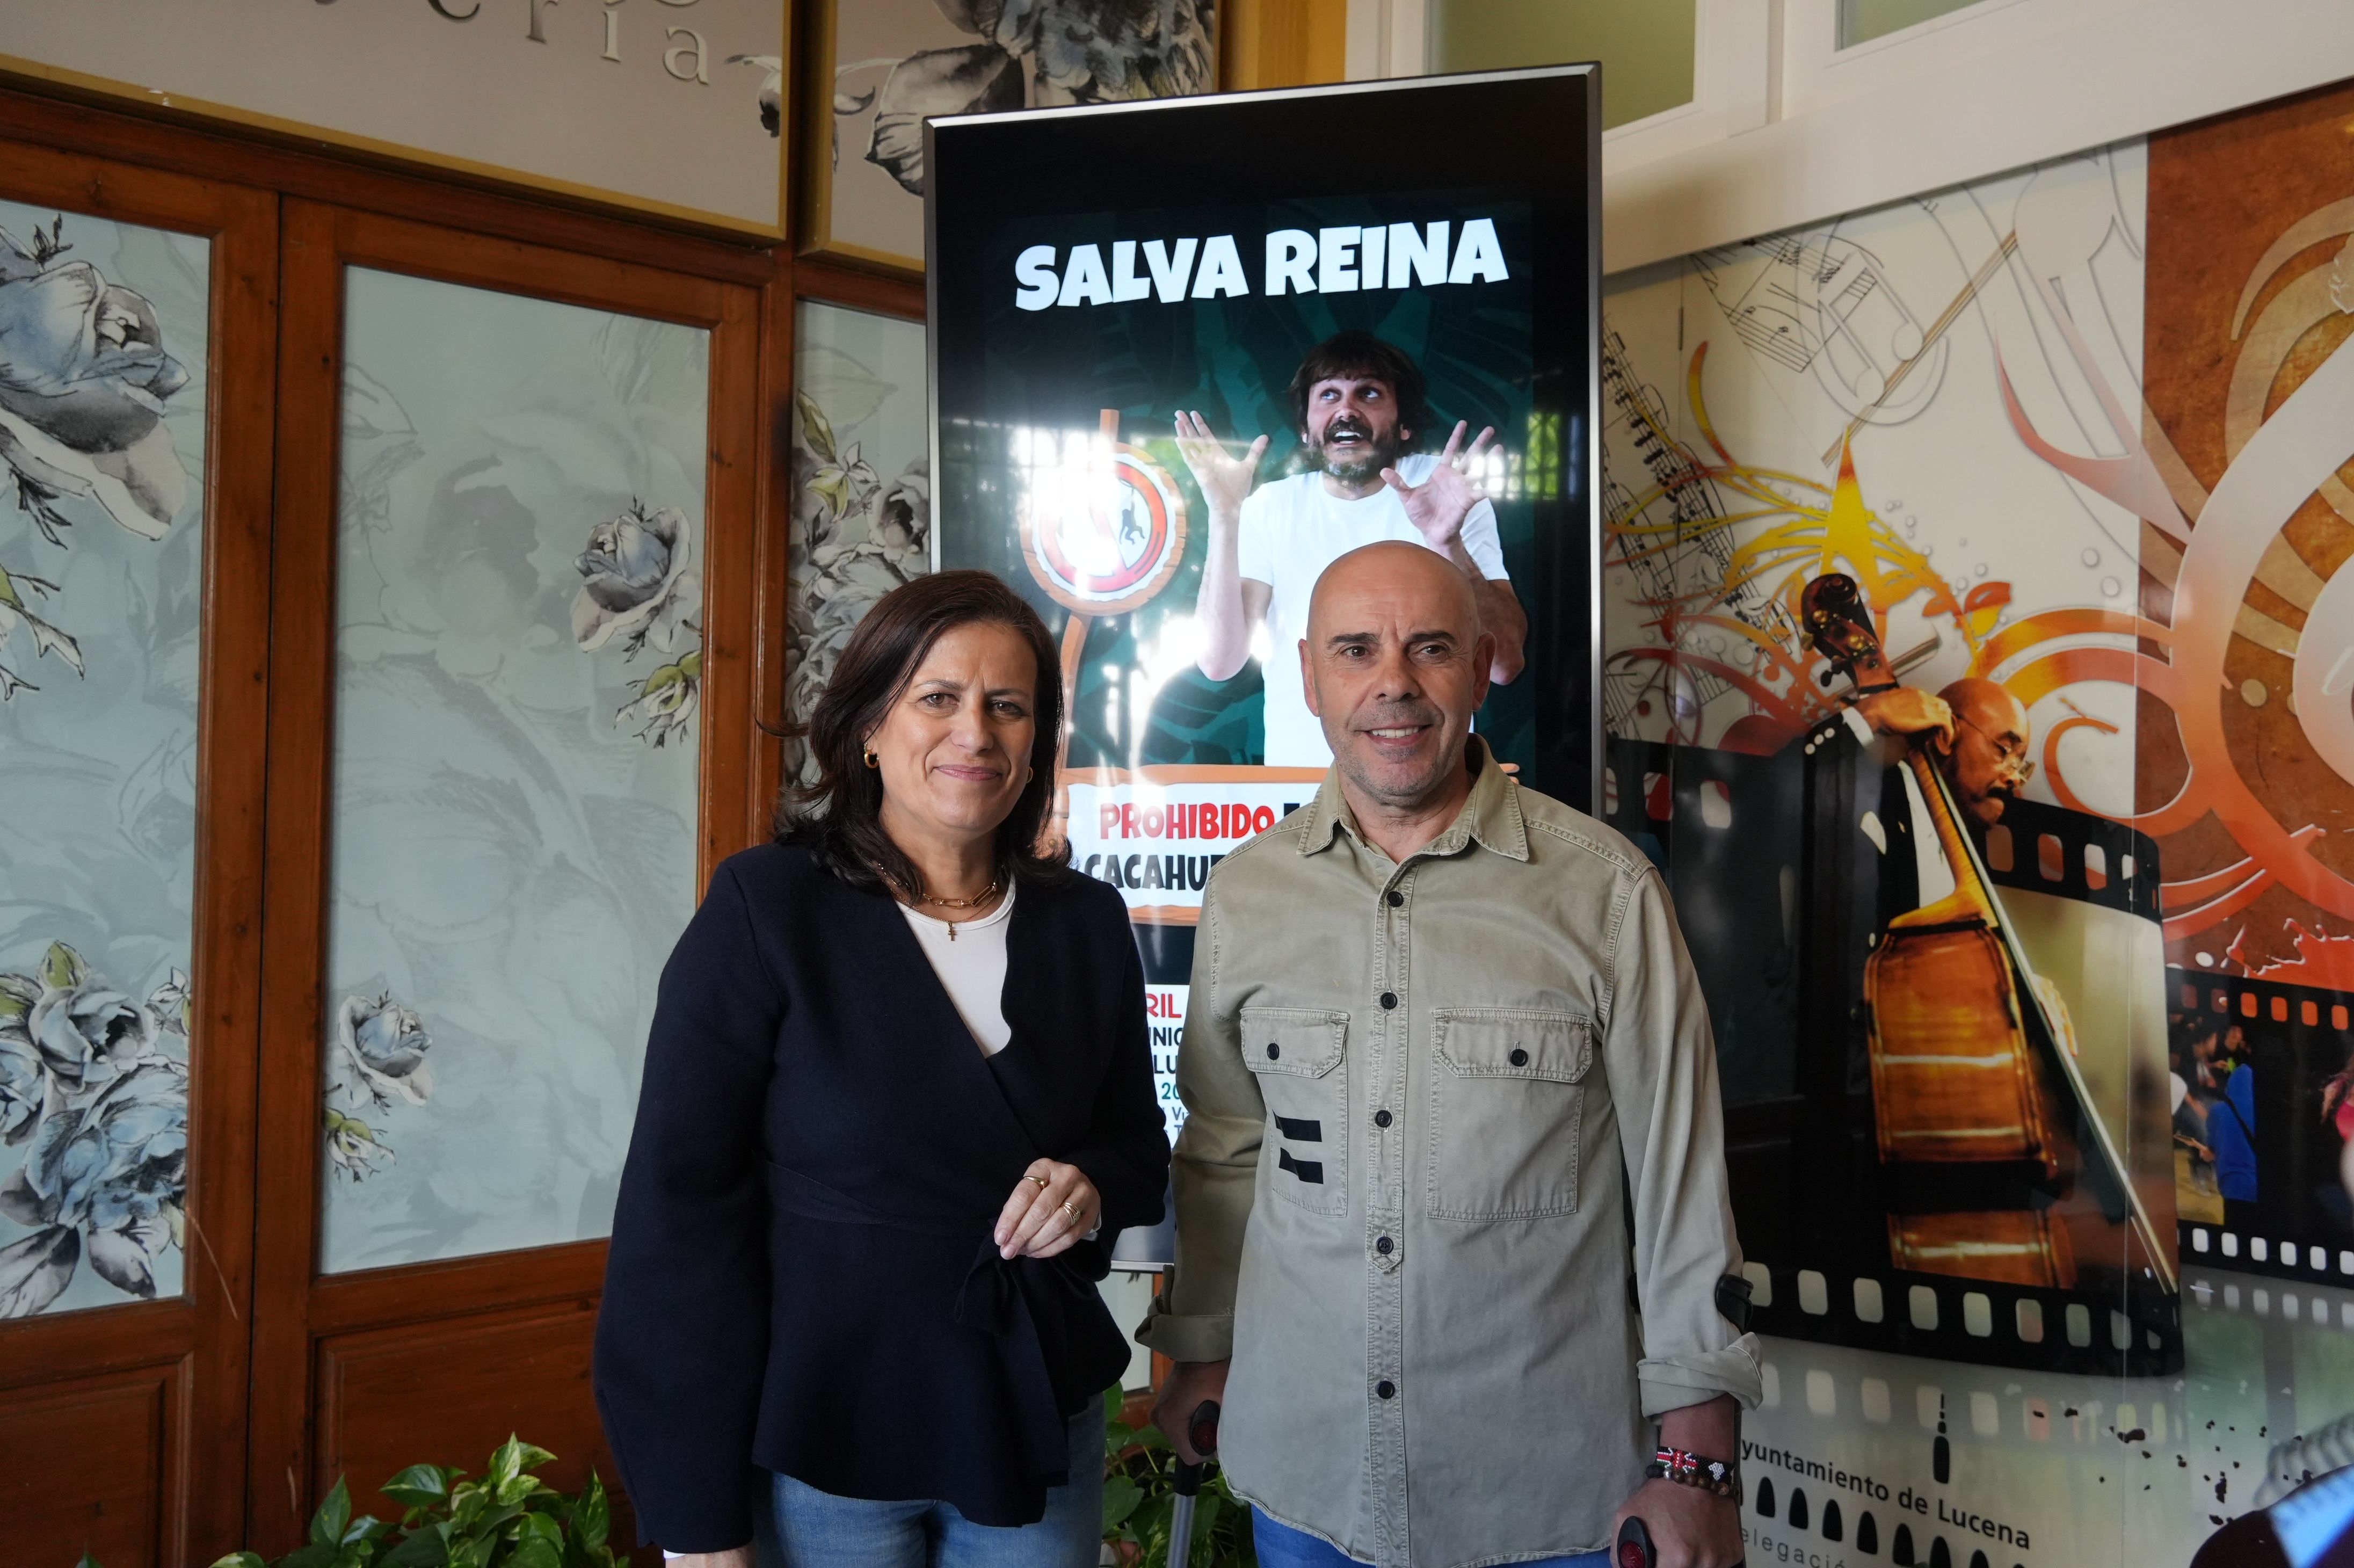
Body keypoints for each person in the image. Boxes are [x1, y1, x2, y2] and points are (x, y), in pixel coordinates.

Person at [1138, 541, 1759, 1568]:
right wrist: (1202, 1346)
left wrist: (1696, 1461)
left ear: (1478, 671)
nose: (1392, 682)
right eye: (1354, 650)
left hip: (1542, 1500)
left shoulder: (1604, 894)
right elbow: (1225, 1149)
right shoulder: (1245, 894)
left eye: (1427, 648)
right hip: (1306, 1484)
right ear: (1309, 678)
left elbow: (1680, 1185)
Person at [595, 570, 1170, 1568]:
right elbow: (678, 1218)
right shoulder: (767, 910)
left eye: (1007, 706)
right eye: (937, 698)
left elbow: (1136, 1147)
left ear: (1037, 739)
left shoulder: (1085, 921)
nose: (974, 733)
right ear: (869, 725)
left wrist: (1090, 1189)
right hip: (825, 1430)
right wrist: (696, 1522)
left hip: (1035, 1416)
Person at [1175, 330, 1528, 769]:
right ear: (1306, 430)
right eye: (1329, 395)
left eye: (1369, 393)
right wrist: (1225, 514)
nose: (1346, 410)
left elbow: (1505, 664)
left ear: (1404, 424)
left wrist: (1446, 541)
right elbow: (1219, 662)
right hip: (1300, 788)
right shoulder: (1271, 506)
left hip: (1431, 786)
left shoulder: (1445, 490)